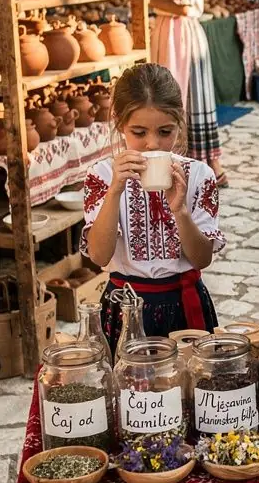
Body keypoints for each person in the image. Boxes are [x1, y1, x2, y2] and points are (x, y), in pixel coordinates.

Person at [82, 63, 224, 351]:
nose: (152, 143)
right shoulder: (102, 176)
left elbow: (202, 258)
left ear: (180, 124)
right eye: (138, 132)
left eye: (164, 131)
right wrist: (115, 192)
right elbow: (99, 254)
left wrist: (180, 210)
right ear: (120, 124)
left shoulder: (199, 176)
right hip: (126, 310)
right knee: (130, 393)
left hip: (185, 308)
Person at [145, 0, 226, 185]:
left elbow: (184, 5)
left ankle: (196, 167)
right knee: (192, 96)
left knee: (181, 95)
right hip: (180, 32)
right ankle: (210, 165)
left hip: (178, 34)